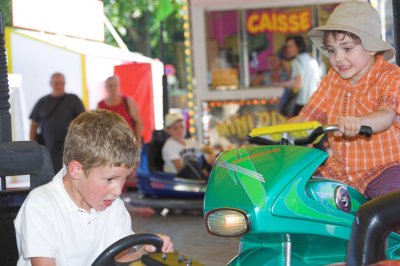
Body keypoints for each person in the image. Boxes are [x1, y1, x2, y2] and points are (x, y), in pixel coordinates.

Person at [15, 110, 173, 265]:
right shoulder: (41, 205)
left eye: (124, 179)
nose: (118, 191)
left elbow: (119, 257)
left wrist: (144, 252)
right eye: (110, 179)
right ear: (77, 170)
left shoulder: (113, 206)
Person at [291, 1, 400, 199]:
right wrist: (267, 137)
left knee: (390, 202)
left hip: (385, 169)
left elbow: (386, 115)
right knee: (301, 196)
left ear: (371, 48)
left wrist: (358, 122)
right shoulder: (333, 79)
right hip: (340, 172)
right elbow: (306, 118)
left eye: (347, 48)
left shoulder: (390, 76)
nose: (338, 58)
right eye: (332, 51)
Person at [30, 72, 85, 173]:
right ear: (51, 84)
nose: (59, 86)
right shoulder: (42, 101)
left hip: (71, 146)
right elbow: (34, 124)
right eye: (56, 83)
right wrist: (33, 144)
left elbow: (84, 120)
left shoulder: (73, 99)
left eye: (62, 83)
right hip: (48, 148)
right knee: (50, 174)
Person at [274, 35, 321, 116]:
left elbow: (297, 84)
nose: (288, 49)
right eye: (287, 46)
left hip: (302, 103)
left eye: (291, 46)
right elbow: (318, 82)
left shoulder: (297, 61)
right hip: (314, 102)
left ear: (298, 47)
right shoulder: (312, 60)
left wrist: (279, 84)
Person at [162, 112, 212, 179]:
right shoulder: (169, 146)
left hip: (199, 174)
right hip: (182, 180)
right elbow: (180, 168)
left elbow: (206, 149)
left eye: (181, 127)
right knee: (192, 164)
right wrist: (201, 172)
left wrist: (212, 156)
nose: (180, 131)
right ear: (167, 130)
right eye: (175, 128)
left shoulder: (190, 142)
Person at [98, 76, 143, 144]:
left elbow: (138, 122)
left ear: (118, 86)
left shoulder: (127, 101)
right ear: (106, 87)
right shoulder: (100, 105)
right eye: (110, 85)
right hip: (109, 144)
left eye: (115, 85)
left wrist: (138, 141)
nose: (112, 88)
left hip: (128, 143)